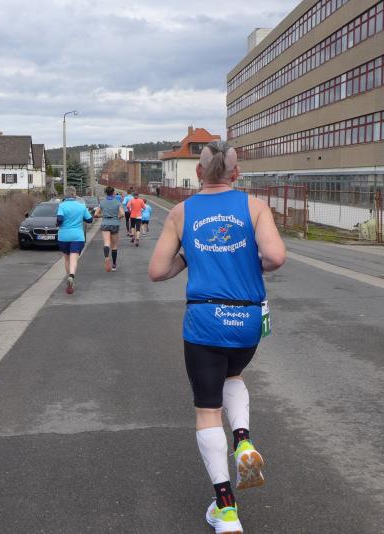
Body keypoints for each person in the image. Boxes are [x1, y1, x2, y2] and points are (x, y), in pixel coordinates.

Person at [148, 141, 286, 533]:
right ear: (235, 174)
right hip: (247, 320)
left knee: (208, 409)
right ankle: (243, 439)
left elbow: (157, 271)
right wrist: (251, 263)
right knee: (233, 375)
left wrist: (188, 256)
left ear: (198, 173)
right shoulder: (255, 207)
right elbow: (275, 257)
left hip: (205, 321)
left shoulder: (181, 212)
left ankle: (226, 510)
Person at [57, 186, 93, 294]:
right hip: (77, 236)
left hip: (64, 236)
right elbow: (90, 220)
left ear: (65, 195)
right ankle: (72, 276)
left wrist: (57, 224)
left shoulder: (62, 205)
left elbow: (59, 219)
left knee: (67, 259)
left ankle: (69, 278)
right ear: (75, 194)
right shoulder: (81, 206)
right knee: (74, 259)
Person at [94, 186, 125, 272]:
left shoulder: (102, 203)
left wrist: (103, 215)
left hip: (105, 224)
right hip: (115, 224)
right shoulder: (117, 202)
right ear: (113, 192)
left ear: (106, 193)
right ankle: (114, 265)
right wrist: (117, 217)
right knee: (114, 245)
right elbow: (122, 214)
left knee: (107, 243)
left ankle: (107, 257)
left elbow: (96, 214)